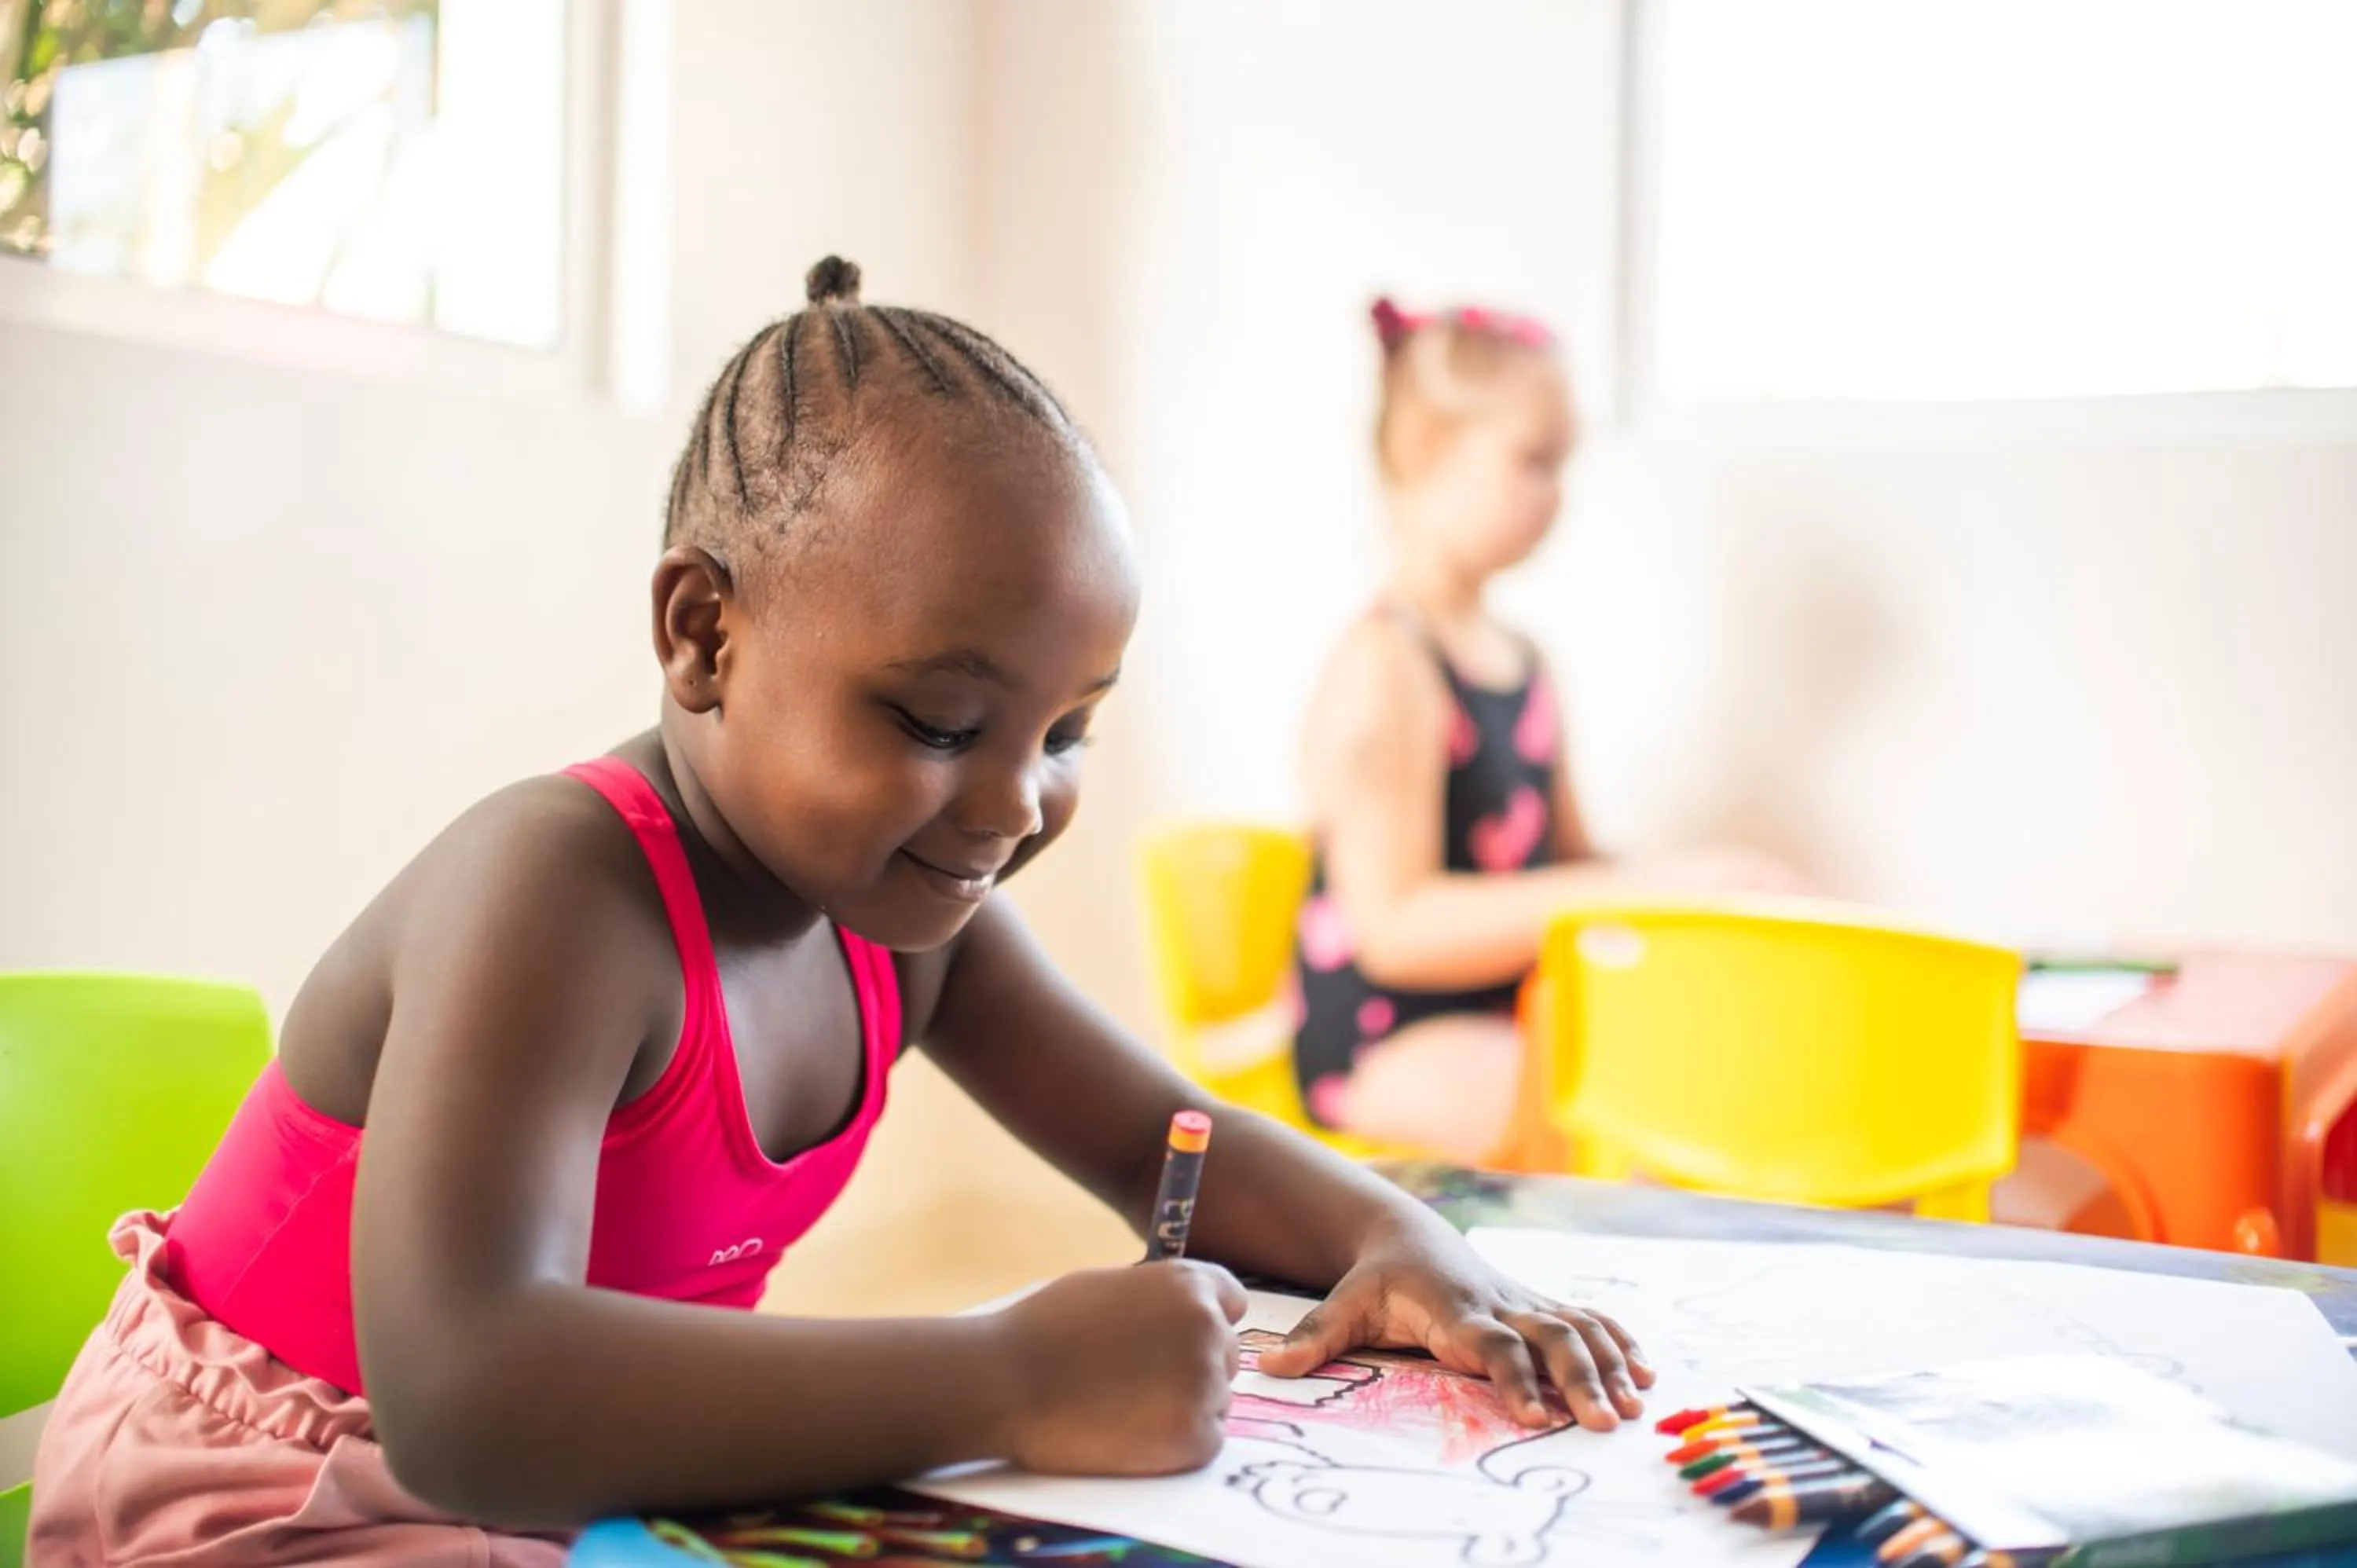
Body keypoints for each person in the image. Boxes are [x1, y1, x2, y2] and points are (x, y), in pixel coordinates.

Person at [31, 261, 1652, 1566]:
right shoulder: (554, 894)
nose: (1014, 804)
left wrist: (1404, 1241)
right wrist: (1015, 1370)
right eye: (941, 721)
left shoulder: (909, 925)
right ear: (703, 636)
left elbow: (1170, 1140)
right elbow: (466, 1396)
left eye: (1067, 731)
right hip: (268, 1490)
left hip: (548, 1485)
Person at [1292, 296, 1802, 1163]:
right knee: (1640, 1136)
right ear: (1425, 449)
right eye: (1534, 460)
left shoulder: (1526, 661)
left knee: (1727, 1082)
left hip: (1511, 1011)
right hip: (1388, 1040)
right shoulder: (1387, 661)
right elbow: (1394, 926)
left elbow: (1570, 866)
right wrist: (1645, 888)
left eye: (1563, 465)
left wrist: (1706, 889)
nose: (1555, 494)